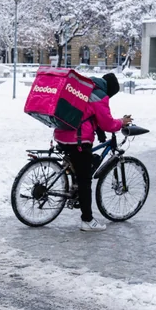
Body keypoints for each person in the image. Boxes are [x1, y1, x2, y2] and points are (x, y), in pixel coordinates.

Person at [54, 72, 132, 232]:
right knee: (85, 179)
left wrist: (99, 132)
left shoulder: (87, 89)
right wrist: (121, 122)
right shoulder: (100, 96)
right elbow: (108, 123)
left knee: (80, 169)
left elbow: (87, 113)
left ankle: (76, 191)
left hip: (62, 134)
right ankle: (87, 220)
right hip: (78, 140)